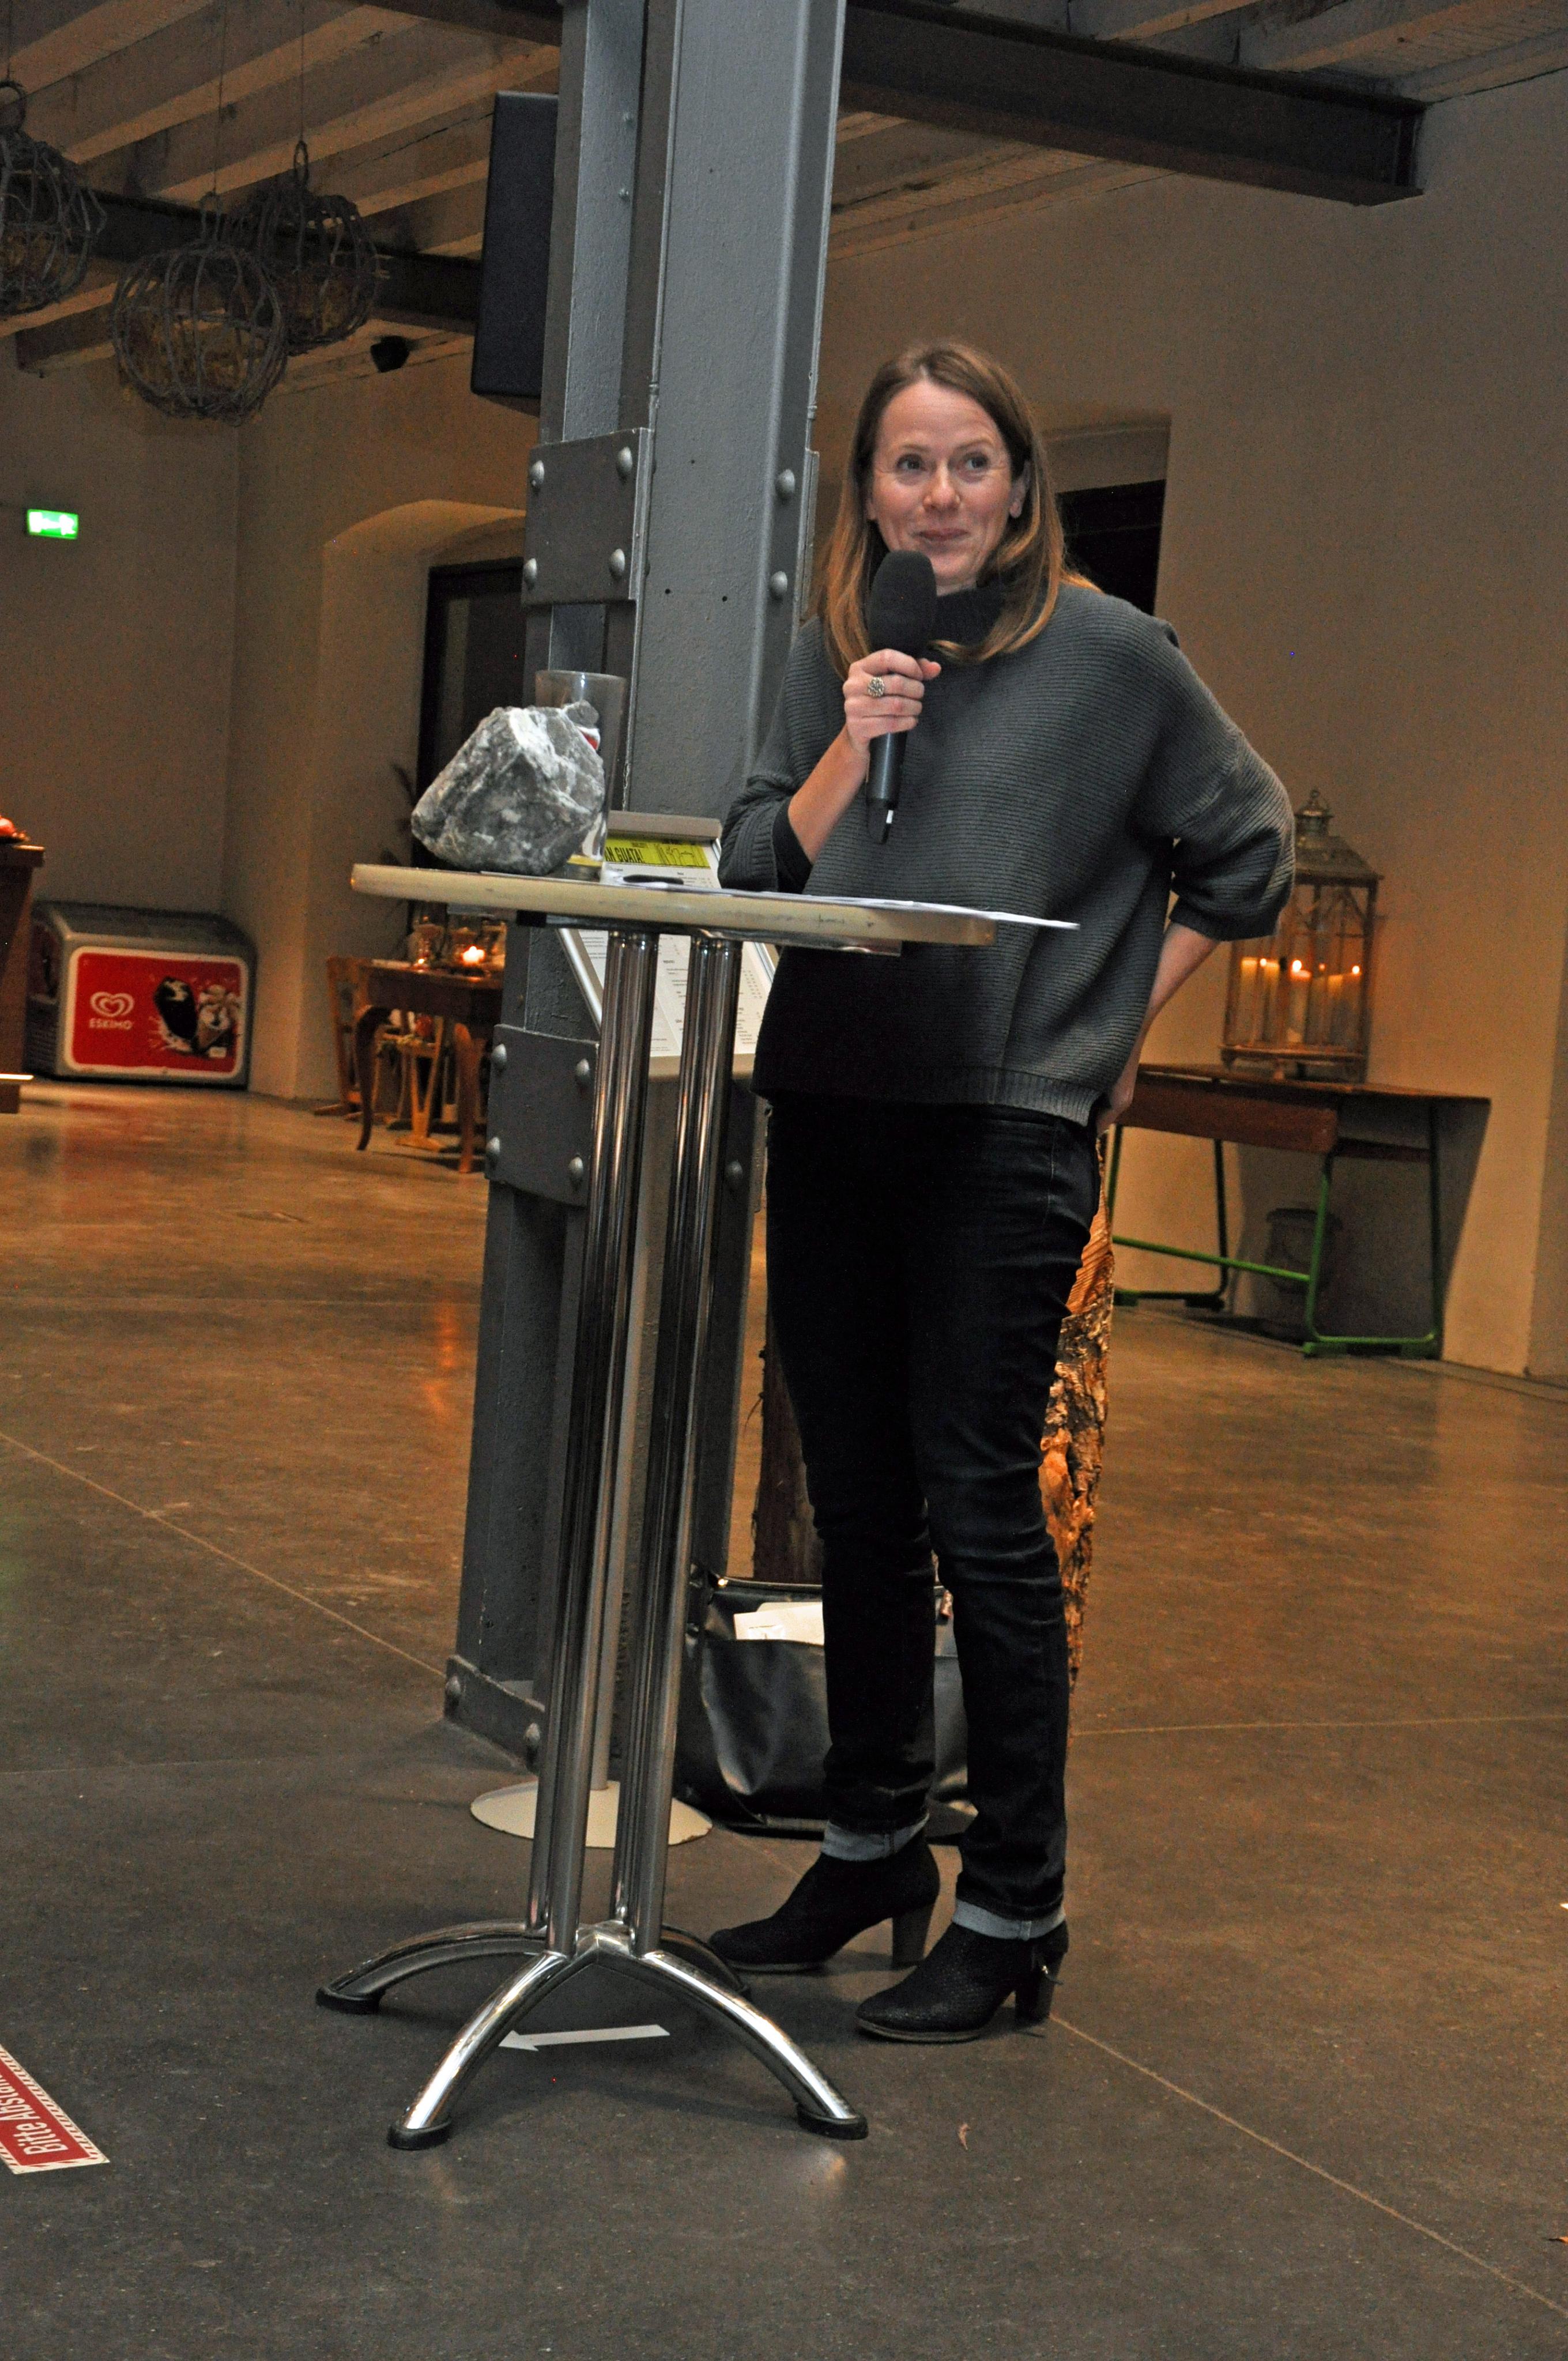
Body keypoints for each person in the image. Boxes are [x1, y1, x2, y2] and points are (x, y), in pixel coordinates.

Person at [710, 341, 1294, 2042]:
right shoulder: (838, 646)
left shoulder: (1112, 656)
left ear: (1024, 484)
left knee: (978, 1505)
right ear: (868, 492)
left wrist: (1118, 1025)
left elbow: (1247, 850)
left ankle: (1017, 1908)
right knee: (857, 1507)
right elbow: (754, 861)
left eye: (972, 462)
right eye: (909, 465)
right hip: (834, 1098)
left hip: (1002, 1124)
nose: (941, 495)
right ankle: (871, 1847)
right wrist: (851, 736)